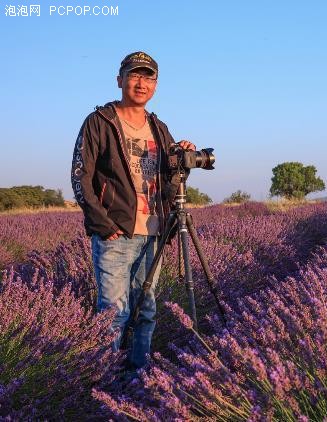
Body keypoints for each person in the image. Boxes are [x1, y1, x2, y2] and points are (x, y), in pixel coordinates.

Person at [71, 51, 195, 372]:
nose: (141, 83)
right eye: (135, 75)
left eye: (148, 77)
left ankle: (137, 378)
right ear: (120, 80)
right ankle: (106, 381)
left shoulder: (159, 126)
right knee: (114, 313)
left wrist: (183, 160)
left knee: (146, 311)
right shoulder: (100, 121)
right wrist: (102, 223)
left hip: (153, 232)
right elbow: (80, 175)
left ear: (155, 85)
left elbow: (169, 179)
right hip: (116, 233)